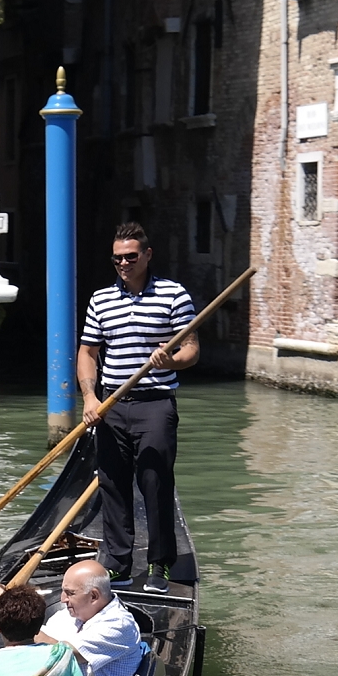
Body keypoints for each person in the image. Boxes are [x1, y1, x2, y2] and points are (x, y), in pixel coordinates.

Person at [78, 222, 199, 592]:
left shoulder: (173, 295)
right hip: (112, 403)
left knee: (154, 481)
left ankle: (160, 564)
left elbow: (191, 350)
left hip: (155, 403)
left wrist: (170, 361)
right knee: (112, 484)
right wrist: (90, 397)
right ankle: (118, 564)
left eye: (130, 257)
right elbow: (88, 352)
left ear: (147, 255)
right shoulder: (101, 299)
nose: (123, 264)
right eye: (117, 259)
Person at [39, 560, 144, 676]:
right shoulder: (68, 614)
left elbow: (64, 654)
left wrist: (21, 627)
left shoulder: (118, 624)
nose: (63, 599)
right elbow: (44, 639)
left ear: (93, 596)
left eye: (70, 593)